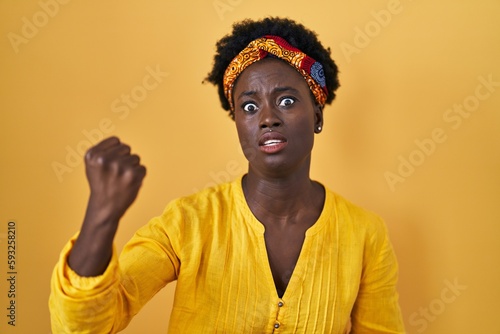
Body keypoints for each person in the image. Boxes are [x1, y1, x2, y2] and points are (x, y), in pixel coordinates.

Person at [49, 17, 405, 333]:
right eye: (249, 107)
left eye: (286, 101)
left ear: (317, 115)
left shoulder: (365, 236)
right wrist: (101, 215)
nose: (267, 118)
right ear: (238, 123)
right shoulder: (187, 223)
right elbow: (85, 327)